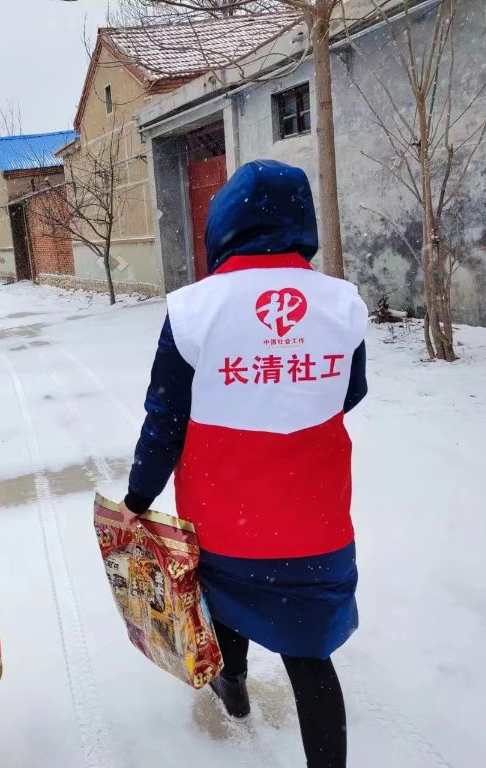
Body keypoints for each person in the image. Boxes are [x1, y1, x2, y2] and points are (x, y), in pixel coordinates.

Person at [121, 160, 368, 768]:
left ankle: (232, 687)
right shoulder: (341, 303)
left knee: (225, 604)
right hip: (314, 522)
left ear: (224, 226)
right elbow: (351, 391)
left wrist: (138, 498)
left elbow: (165, 420)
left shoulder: (194, 309)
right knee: (309, 653)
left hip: (223, 519)